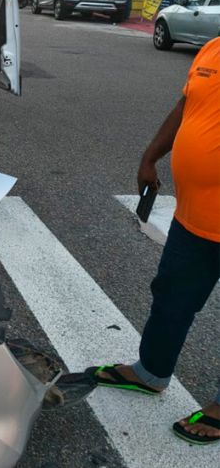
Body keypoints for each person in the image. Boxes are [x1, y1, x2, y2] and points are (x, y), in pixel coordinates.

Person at [88, 37, 220, 446]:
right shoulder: (212, 48)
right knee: (170, 295)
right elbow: (187, 106)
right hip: (194, 216)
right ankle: (151, 372)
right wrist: (151, 156)